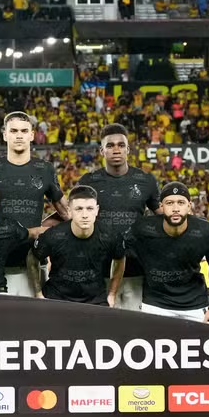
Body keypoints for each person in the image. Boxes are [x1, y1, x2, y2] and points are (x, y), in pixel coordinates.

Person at [0, 111, 69, 296]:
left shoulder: (45, 169)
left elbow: (67, 213)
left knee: (35, 322)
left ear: (31, 135)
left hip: (33, 263)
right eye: (13, 131)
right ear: (5, 134)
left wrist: (48, 229)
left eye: (23, 130)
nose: (19, 135)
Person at [77, 124, 160, 311]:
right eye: (110, 145)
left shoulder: (146, 181)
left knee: (135, 328)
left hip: (136, 270)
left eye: (121, 145)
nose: (116, 150)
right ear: (102, 150)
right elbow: (72, 216)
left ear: (128, 149)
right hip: (97, 270)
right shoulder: (88, 181)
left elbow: (162, 217)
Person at [125, 181, 209, 324]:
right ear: (161, 207)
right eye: (170, 203)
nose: (176, 208)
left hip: (195, 305)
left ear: (189, 206)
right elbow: (119, 253)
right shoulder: (142, 228)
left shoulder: (206, 231)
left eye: (181, 203)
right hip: (155, 305)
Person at [27, 185, 125, 306]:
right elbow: (32, 257)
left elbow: (120, 259)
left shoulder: (111, 236)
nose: (85, 215)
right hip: (56, 299)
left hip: (95, 301)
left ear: (97, 210)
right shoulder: (53, 235)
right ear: (69, 210)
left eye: (89, 208)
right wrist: (38, 293)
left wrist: (112, 294)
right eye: (79, 209)